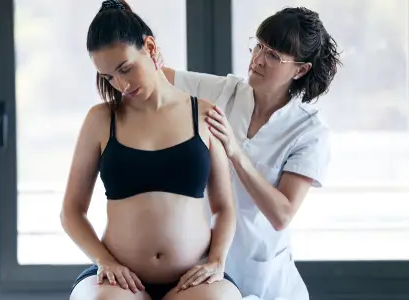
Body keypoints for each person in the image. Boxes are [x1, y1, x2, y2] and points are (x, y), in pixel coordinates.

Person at [60, 1, 243, 300]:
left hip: (192, 277)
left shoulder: (204, 114)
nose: (120, 84)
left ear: (150, 47)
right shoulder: (100, 119)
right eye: (108, 77)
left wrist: (217, 261)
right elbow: (71, 212)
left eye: (125, 69)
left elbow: (224, 208)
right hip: (118, 279)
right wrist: (104, 261)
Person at [159, 6, 342, 300]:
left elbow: (281, 214)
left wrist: (235, 152)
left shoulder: (309, 132)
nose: (257, 59)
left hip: (265, 280)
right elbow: (158, 76)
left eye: (273, 55)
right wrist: (134, 36)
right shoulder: (226, 91)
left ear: (300, 69)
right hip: (206, 269)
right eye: (258, 45)